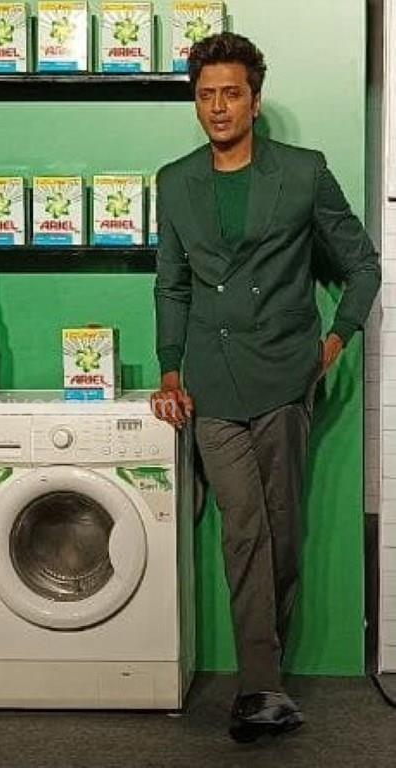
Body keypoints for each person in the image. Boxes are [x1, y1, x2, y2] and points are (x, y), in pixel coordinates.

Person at [151, 33, 380, 742]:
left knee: (281, 532)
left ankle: (264, 676)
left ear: (254, 100)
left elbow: (363, 265)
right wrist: (169, 368)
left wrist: (335, 341)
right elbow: (172, 284)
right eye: (206, 95)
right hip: (211, 382)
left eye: (231, 93)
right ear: (196, 102)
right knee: (244, 528)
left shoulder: (304, 172)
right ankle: (259, 688)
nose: (218, 107)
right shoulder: (175, 181)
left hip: (285, 373)